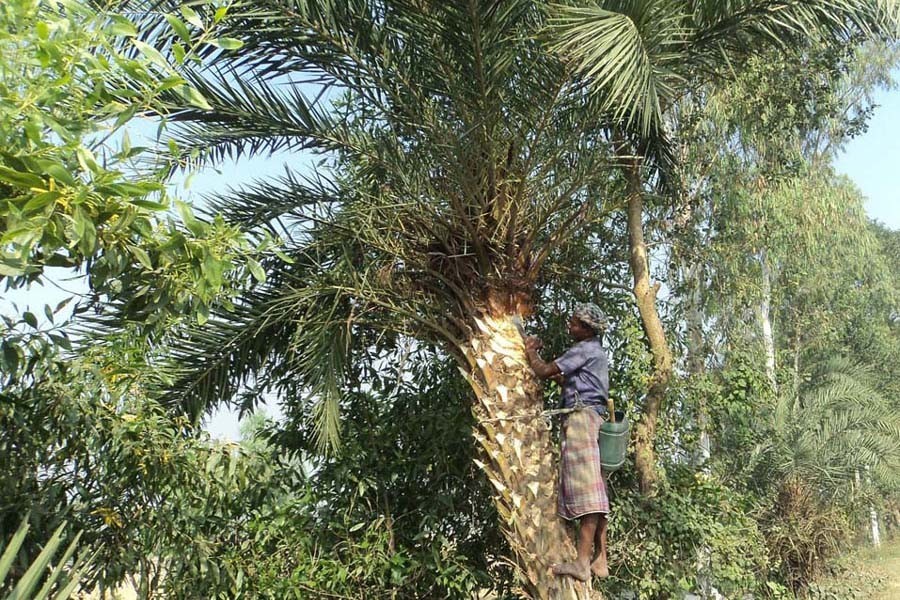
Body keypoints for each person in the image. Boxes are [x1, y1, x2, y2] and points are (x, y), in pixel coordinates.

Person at [524, 302, 610, 581]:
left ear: (586, 329)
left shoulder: (583, 349)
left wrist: (531, 351)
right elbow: (567, 381)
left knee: (589, 494)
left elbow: (544, 371)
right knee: (595, 489)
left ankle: (583, 563)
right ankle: (601, 559)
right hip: (590, 417)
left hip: (581, 421)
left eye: (574, 323)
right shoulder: (594, 351)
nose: (569, 326)